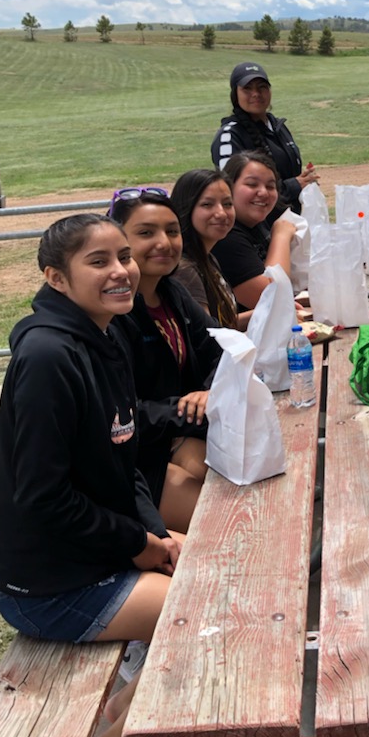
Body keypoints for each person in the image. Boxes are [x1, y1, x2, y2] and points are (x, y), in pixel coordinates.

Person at [0, 214, 228, 737]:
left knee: (219, 573)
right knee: (206, 614)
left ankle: (158, 730)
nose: (121, 269)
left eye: (123, 256)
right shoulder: (47, 357)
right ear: (56, 278)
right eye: (99, 261)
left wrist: (154, 533)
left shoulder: (104, 335)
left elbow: (127, 463)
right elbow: (41, 497)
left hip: (95, 552)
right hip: (49, 583)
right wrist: (137, 545)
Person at [108, 188, 222, 533]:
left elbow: (222, 349)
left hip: (179, 431)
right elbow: (117, 413)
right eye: (146, 233)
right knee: (223, 523)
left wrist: (206, 392)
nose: (164, 242)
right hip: (136, 456)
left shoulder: (173, 292)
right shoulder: (110, 313)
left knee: (243, 485)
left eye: (172, 231)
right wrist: (185, 411)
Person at [210, 61, 318, 210]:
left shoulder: (277, 126)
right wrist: (294, 185)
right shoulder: (230, 135)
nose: (256, 94)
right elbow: (232, 192)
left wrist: (305, 180)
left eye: (262, 87)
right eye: (247, 88)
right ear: (235, 94)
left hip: (289, 222)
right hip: (257, 229)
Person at [211, 152, 297, 311]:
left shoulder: (255, 223)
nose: (263, 192)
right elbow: (270, 297)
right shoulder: (226, 235)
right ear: (228, 188)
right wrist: (281, 237)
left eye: (271, 186)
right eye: (252, 184)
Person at [170, 168, 240, 328]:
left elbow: (224, 326)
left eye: (227, 204)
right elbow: (206, 337)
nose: (221, 213)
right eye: (207, 204)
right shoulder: (185, 270)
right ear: (185, 208)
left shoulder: (207, 257)